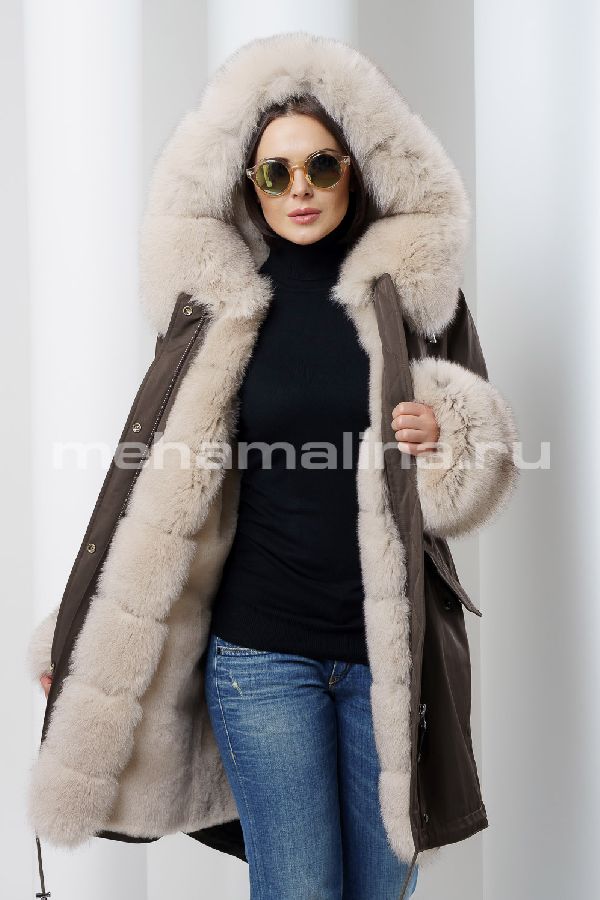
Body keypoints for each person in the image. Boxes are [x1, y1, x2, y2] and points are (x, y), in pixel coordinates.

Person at [29, 32, 519, 900]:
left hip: (387, 658)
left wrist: (446, 438)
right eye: (275, 172)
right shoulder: (218, 307)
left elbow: (477, 473)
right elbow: (144, 487)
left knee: (380, 892)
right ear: (247, 183)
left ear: (354, 171)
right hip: (259, 656)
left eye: (320, 167)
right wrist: (75, 639)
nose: (299, 189)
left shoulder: (414, 298)